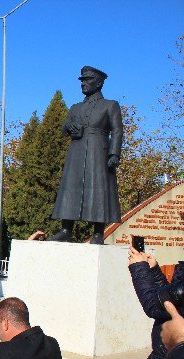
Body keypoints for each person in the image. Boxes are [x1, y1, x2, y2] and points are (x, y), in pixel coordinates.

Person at [49, 66, 123, 245]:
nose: (83, 83)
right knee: (71, 188)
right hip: (76, 150)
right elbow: (64, 126)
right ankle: (66, 229)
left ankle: (98, 232)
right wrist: (69, 127)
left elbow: (117, 131)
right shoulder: (75, 107)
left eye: (87, 80)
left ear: (98, 83)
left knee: (98, 189)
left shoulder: (110, 105)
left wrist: (114, 153)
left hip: (99, 150)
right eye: (82, 80)